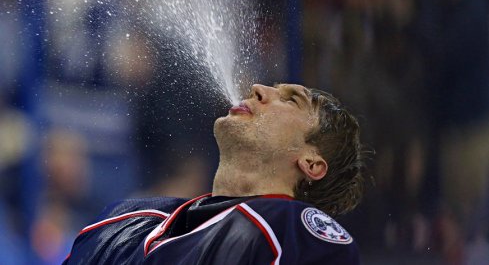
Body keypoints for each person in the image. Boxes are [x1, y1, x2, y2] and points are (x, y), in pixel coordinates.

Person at [63, 83, 369, 265]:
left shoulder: (297, 233)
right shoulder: (123, 217)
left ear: (312, 163)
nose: (258, 89)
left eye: (290, 99)